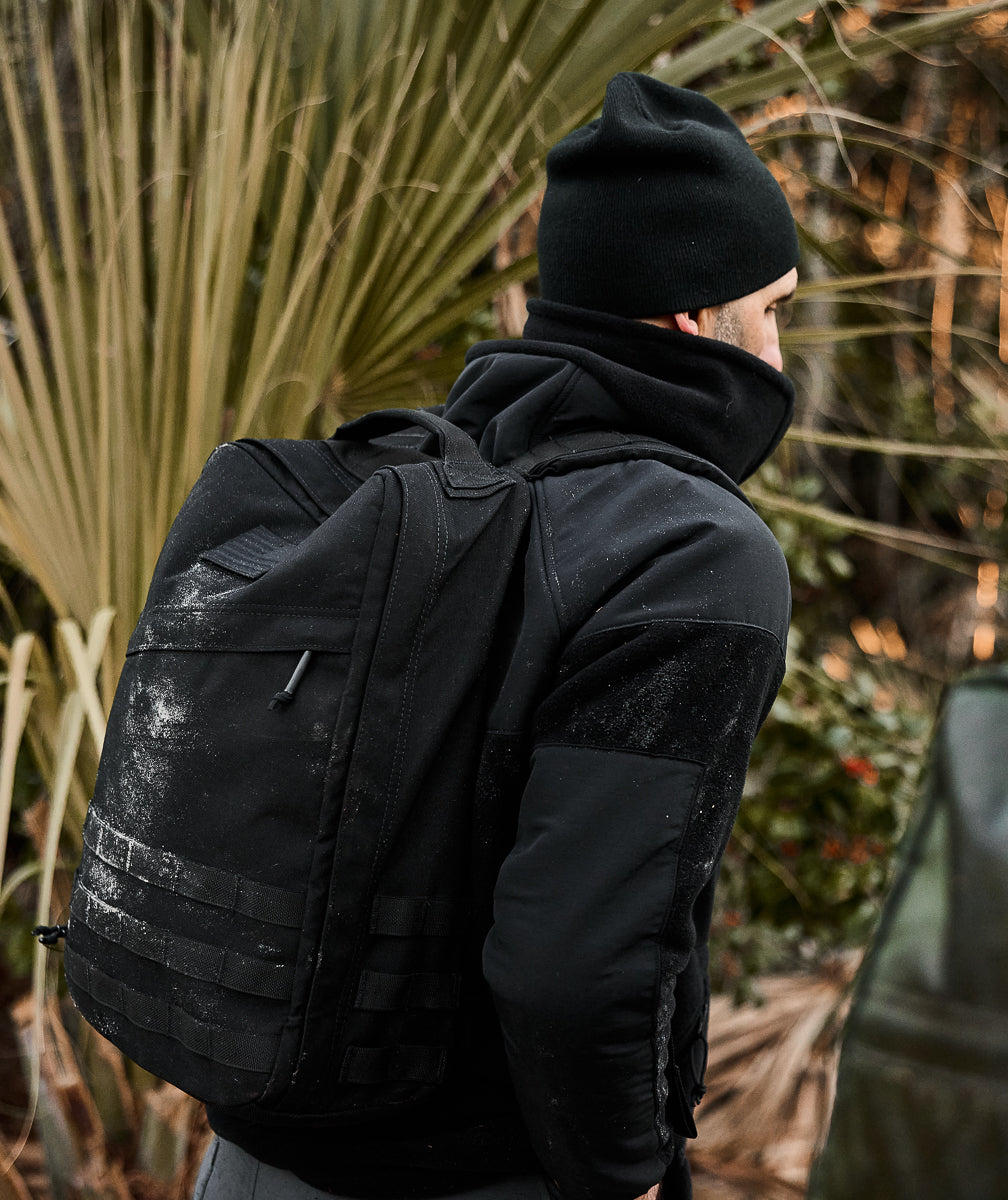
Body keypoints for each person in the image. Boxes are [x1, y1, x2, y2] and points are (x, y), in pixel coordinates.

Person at [195, 72, 798, 1200]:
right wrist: (626, 1172)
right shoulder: (691, 549)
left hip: (252, 1157)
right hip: (480, 1175)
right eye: (772, 310)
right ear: (694, 315)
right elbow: (576, 959)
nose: (774, 356)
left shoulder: (415, 481)